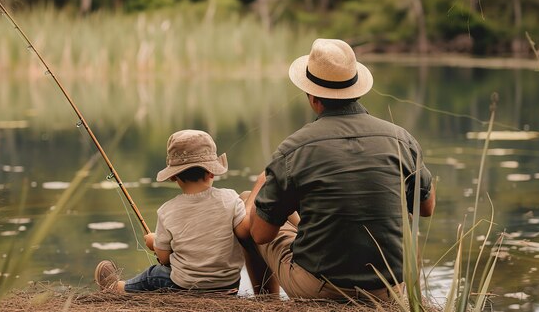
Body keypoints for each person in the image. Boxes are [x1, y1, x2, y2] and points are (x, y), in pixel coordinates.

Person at [243, 38, 436, 301]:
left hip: (322, 289)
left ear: (312, 98)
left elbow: (260, 233)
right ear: (357, 89)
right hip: (391, 290)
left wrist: (260, 183)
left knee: (250, 205)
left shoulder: (294, 149)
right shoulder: (401, 139)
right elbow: (426, 208)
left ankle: (267, 304)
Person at [95, 129, 250, 293]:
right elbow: (243, 234)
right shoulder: (232, 199)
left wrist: (154, 243)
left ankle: (118, 288)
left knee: (153, 274)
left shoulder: (167, 211)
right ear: (212, 172)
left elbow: (163, 258)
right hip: (229, 285)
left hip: (184, 284)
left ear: (173, 176)